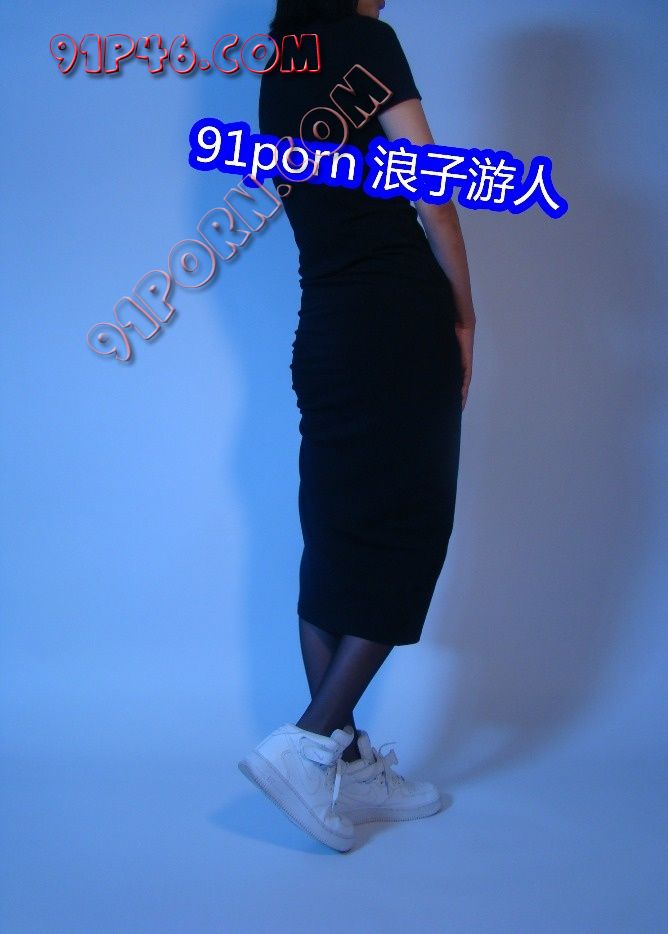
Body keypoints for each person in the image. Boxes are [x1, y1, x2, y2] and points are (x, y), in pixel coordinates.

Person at [238, 0, 476, 852]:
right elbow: (433, 190)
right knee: (409, 530)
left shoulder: (282, 61)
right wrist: (466, 314)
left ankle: (345, 764)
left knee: (336, 537)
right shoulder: (367, 41)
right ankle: (309, 745)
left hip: (327, 327)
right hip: (396, 320)